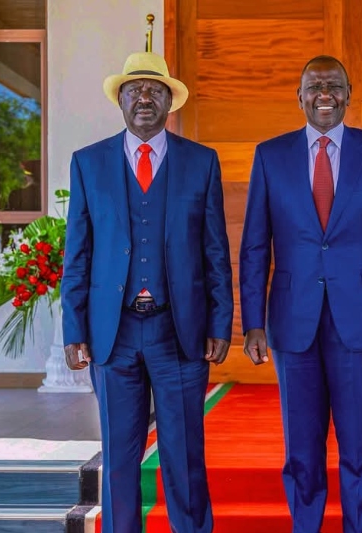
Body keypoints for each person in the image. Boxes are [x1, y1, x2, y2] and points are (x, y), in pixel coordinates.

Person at [239, 55, 362, 533]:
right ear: (298, 96)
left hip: (361, 322)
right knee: (301, 449)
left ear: (348, 94)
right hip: (291, 321)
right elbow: (255, 246)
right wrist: (252, 322)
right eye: (314, 86)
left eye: (334, 85)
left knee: (358, 447)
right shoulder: (269, 155)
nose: (324, 94)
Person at [61, 51, 233, 533]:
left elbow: (215, 251)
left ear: (168, 102)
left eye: (154, 90)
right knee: (119, 456)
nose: (143, 97)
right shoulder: (88, 163)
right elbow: (78, 254)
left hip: (177, 331)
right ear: (119, 99)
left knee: (184, 454)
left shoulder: (201, 163)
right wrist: (75, 328)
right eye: (134, 89)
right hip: (111, 334)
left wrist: (221, 322)